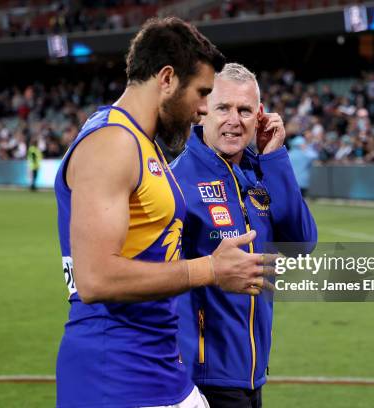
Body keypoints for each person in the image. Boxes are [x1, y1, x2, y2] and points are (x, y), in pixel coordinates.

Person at [54, 19, 275, 408]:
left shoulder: (144, 145)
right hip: (116, 376)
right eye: (202, 92)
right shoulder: (112, 143)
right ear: (168, 79)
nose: (203, 108)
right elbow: (95, 278)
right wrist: (210, 270)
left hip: (159, 368)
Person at [171, 63, 318, 408]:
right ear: (203, 110)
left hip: (252, 373)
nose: (234, 120)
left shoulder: (260, 173)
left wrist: (276, 157)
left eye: (244, 110)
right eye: (223, 107)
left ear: (260, 116)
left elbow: (301, 243)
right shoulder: (176, 181)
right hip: (203, 378)